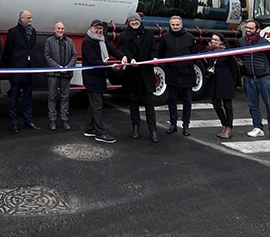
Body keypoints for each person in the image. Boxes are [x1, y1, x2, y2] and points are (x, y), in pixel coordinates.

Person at [80, 19, 123, 143]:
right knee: (98, 105)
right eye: (96, 28)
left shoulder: (102, 39)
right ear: (91, 29)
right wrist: (110, 66)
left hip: (99, 76)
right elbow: (93, 61)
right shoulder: (87, 41)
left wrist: (123, 56)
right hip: (92, 78)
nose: (99, 30)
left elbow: (112, 49)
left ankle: (89, 128)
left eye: (101, 28)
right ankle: (100, 133)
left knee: (94, 104)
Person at [119, 12, 159, 142]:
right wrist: (131, 59)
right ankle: (135, 128)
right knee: (133, 102)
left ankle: (153, 130)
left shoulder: (148, 34)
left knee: (149, 103)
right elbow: (126, 50)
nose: (134, 22)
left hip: (146, 73)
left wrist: (154, 58)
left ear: (140, 20)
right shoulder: (125, 35)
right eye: (131, 20)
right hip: (132, 73)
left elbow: (153, 49)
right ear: (129, 21)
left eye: (136, 20)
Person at [239, 20, 270, 139]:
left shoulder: (264, 42)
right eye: (247, 28)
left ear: (258, 30)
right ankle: (258, 127)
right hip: (248, 78)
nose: (248, 30)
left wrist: (264, 70)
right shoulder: (241, 42)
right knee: (253, 105)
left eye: (251, 28)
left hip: (264, 78)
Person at [157, 14, 198, 135]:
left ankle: (186, 125)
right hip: (172, 73)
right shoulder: (165, 37)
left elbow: (195, 55)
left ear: (182, 25)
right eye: (173, 25)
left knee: (187, 100)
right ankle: (173, 124)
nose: (175, 27)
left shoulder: (190, 37)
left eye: (177, 25)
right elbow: (161, 54)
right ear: (170, 25)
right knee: (172, 100)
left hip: (187, 73)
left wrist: (187, 64)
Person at [3, 10, 39, 132]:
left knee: (28, 96)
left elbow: (32, 48)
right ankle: (14, 122)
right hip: (17, 68)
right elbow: (8, 49)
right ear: (22, 18)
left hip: (29, 68)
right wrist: (11, 64)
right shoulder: (13, 32)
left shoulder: (33, 32)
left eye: (31, 18)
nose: (30, 20)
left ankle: (28, 120)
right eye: (28, 18)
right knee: (14, 95)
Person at [44, 22, 77, 130]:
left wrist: (68, 67)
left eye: (62, 28)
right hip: (53, 74)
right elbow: (47, 56)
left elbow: (74, 55)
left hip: (66, 74)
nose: (60, 30)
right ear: (54, 29)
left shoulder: (70, 41)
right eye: (58, 28)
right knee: (52, 97)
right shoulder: (49, 41)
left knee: (65, 97)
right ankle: (52, 121)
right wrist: (58, 67)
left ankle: (64, 120)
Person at [205, 33, 239, 139]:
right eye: (212, 39)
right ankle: (224, 125)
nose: (214, 41)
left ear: (222, 42)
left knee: (227, 106)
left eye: (216, 40)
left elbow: (234, 69)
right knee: (216, 106)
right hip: (213, 82)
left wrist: (234, 84)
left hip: (225, 82)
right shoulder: (209, 52)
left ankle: (229, 128)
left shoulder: (227, 53)